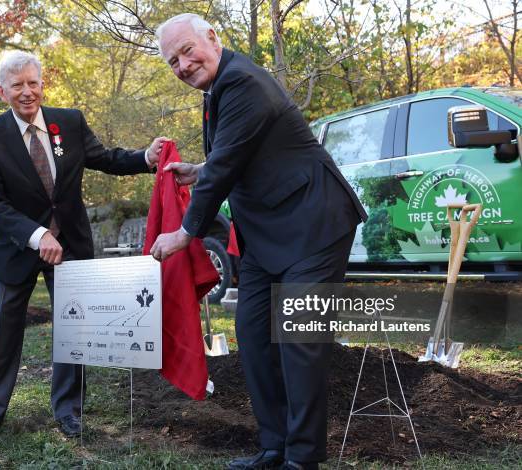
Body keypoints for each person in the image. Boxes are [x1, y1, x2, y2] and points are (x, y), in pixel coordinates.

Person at [151, 14, 368, 470]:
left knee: (298, 342)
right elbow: (237, 155)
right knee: (252, 337)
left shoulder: (244, 81)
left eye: (187, 51)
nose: (183, 65)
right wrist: (200, 170)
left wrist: (185, 233)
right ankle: (274, 448)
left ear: (212, 38)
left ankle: (303, 459)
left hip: (314, 225)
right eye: (173, 61)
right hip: (266, 236)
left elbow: (228, 162)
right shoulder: (218, 89)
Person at [0, 50, 167, 444]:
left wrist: (145, 157)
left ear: (42, 84)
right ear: (1, 90)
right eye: (18, 85)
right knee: (2, 332)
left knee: (74, 329)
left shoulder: (69, 122)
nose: (27, 92)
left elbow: (105, 158)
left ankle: (68, 411)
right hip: (17, 248)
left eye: (33, 83)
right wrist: (39, 236)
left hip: (71, 244)